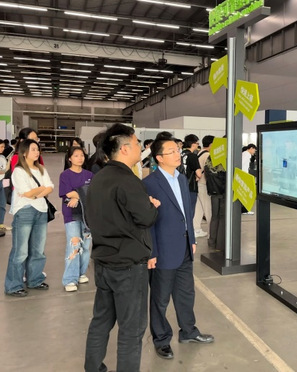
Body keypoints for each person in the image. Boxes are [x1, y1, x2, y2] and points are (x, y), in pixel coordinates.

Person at [84, 123, 160, 372]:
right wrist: (151, 206)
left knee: (101, 321)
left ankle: (93, 367)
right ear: (125, 148)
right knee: (131, 329)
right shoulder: (128, 180)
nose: (140, 147)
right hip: (128, 266)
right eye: (137, 143)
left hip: (103, 262)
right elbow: (145, 218)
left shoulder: (99, 178)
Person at [143, 136, 214, 361]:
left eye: (177, 150)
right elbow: (148, 222)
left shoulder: (182, 178)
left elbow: (187, 213)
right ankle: (162, 340)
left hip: (184, 246)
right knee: (160, 298)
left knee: (186, 293)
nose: (177, 154)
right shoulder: (149, 183)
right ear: (159, 158)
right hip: (163, 250)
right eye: (171, 151)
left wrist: (191, 238)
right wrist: (152, 252)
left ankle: (188, 331)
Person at [4, 139, 53, 297]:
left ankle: (35, 279)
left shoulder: (41, 169)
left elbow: (50, 187)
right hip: (24, 211)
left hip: (41, 211)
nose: (37, 152)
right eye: (33, 149)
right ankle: (13, 285)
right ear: (24, 152)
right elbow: (27, 193)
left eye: (37, 149)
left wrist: (36, 193)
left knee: (38, 250)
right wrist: (40, 189)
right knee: (20, 251)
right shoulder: (18, 171)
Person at [59, 145, 94, 292]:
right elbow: (67, 193)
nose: (80, 158)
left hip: (87, 215)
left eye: (82, 155)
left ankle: (81, 273)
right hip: (71, 214)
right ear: (70, 159)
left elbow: (92, 192)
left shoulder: (89, 175)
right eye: (76, 156)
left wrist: (77, 195)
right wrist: (81, 194)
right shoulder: (65, 175)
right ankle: (70, 279)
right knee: (74, 245)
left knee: (86, 245)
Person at [193, 135, 214, 238]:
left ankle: (196, 229)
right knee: (208, 210)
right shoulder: (208, 155)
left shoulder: (200, 152)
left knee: (199, 208)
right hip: (204, 184)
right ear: (211, 144)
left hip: (198, 184)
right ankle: (211, 233)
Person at [204, 155, 226, 251]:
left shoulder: (210, 159)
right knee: (222, 217)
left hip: (213, 191)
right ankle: (220, 244)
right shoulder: (224, 160)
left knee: (214, 217)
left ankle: (212, 241)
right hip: (223, 192)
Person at [179, 134, 202, 222]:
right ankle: (188, 229)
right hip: (190, 187)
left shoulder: (180, 154)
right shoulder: (193, 156)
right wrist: (198, 176)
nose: (198, 145)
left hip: (179, 185)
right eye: (197, 143)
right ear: (193, 144)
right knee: (189, 212)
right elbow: (199, 174)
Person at [241, 144, 257, 215]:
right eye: (254, 150)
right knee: (246, 193)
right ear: (251, 148)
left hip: (243, 175)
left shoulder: (244, 153)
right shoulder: (247, 155)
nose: (254, 152)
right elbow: (242, 164)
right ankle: (245, 209)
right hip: (244, 175)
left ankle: (244, 209)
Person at [0, 140, 10, 236]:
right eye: (1, 147)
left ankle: (0, 225)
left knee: (2, 204)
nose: (2, 149)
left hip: (2, 181)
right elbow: (3, 170)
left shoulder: (3, 157)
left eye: (3, 147)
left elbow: (5, 171)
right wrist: (5, 170)